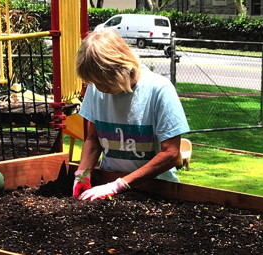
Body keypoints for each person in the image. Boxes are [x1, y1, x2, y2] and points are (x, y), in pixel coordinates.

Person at [72, 29, 189, 201]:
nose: (98, 88)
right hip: (108, 184)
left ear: (120, 69)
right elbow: (93, 140)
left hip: (156, 191)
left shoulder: (159, 90)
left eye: (102, 82)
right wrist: (82, 174)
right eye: (94, 83)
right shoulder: (96, 88)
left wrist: (119, 185)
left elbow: (170, 153)